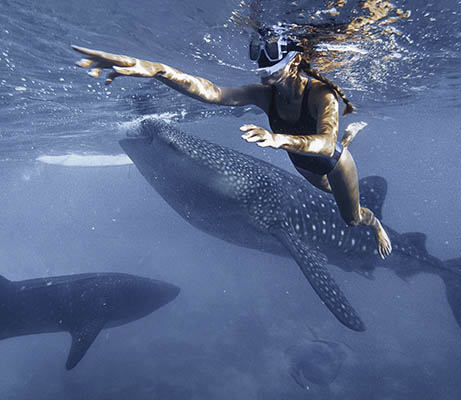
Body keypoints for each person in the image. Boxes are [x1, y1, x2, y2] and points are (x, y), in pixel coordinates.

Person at [72, 31, 392, 258]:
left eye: (271, 64)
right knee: (320, 178)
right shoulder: (265, 93)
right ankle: (348, 137)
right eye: (260, 61)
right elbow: (212, 93)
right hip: (304, 165)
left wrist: (277, 138)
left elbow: (323, 144)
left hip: (332, 163)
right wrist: (158, 71)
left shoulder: (323, 95)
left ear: (295, 62)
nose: (263, 72)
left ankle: (375, 222)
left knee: (352, 218)